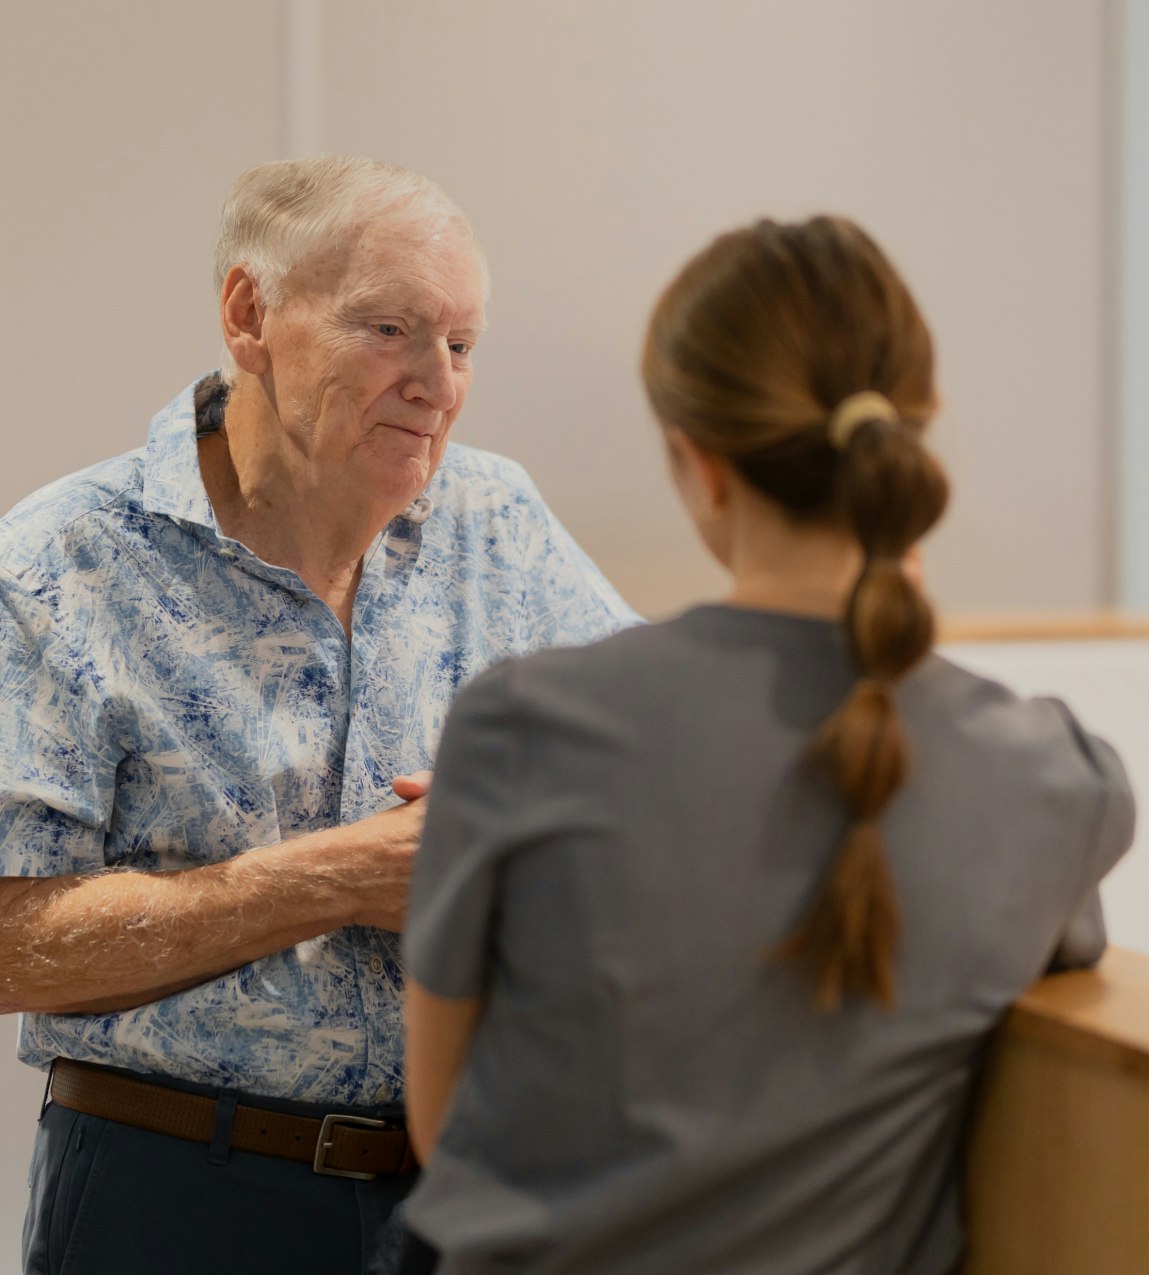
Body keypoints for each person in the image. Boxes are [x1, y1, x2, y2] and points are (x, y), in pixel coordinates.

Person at [399, 215, 1136, 1274]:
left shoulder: (527, 726)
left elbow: (447, 1130)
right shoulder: (1055, 780)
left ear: (700, 465)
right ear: (908, 441)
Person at [0, 155, 637, 1275]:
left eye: (461, 344)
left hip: (467, 1194)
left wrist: (537, 832)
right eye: (389, 329)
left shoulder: (501, 521)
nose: (436, 380)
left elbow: (660, 773)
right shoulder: (65, 562)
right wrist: (340, 876)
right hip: (172, 1197)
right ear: (250, 315)